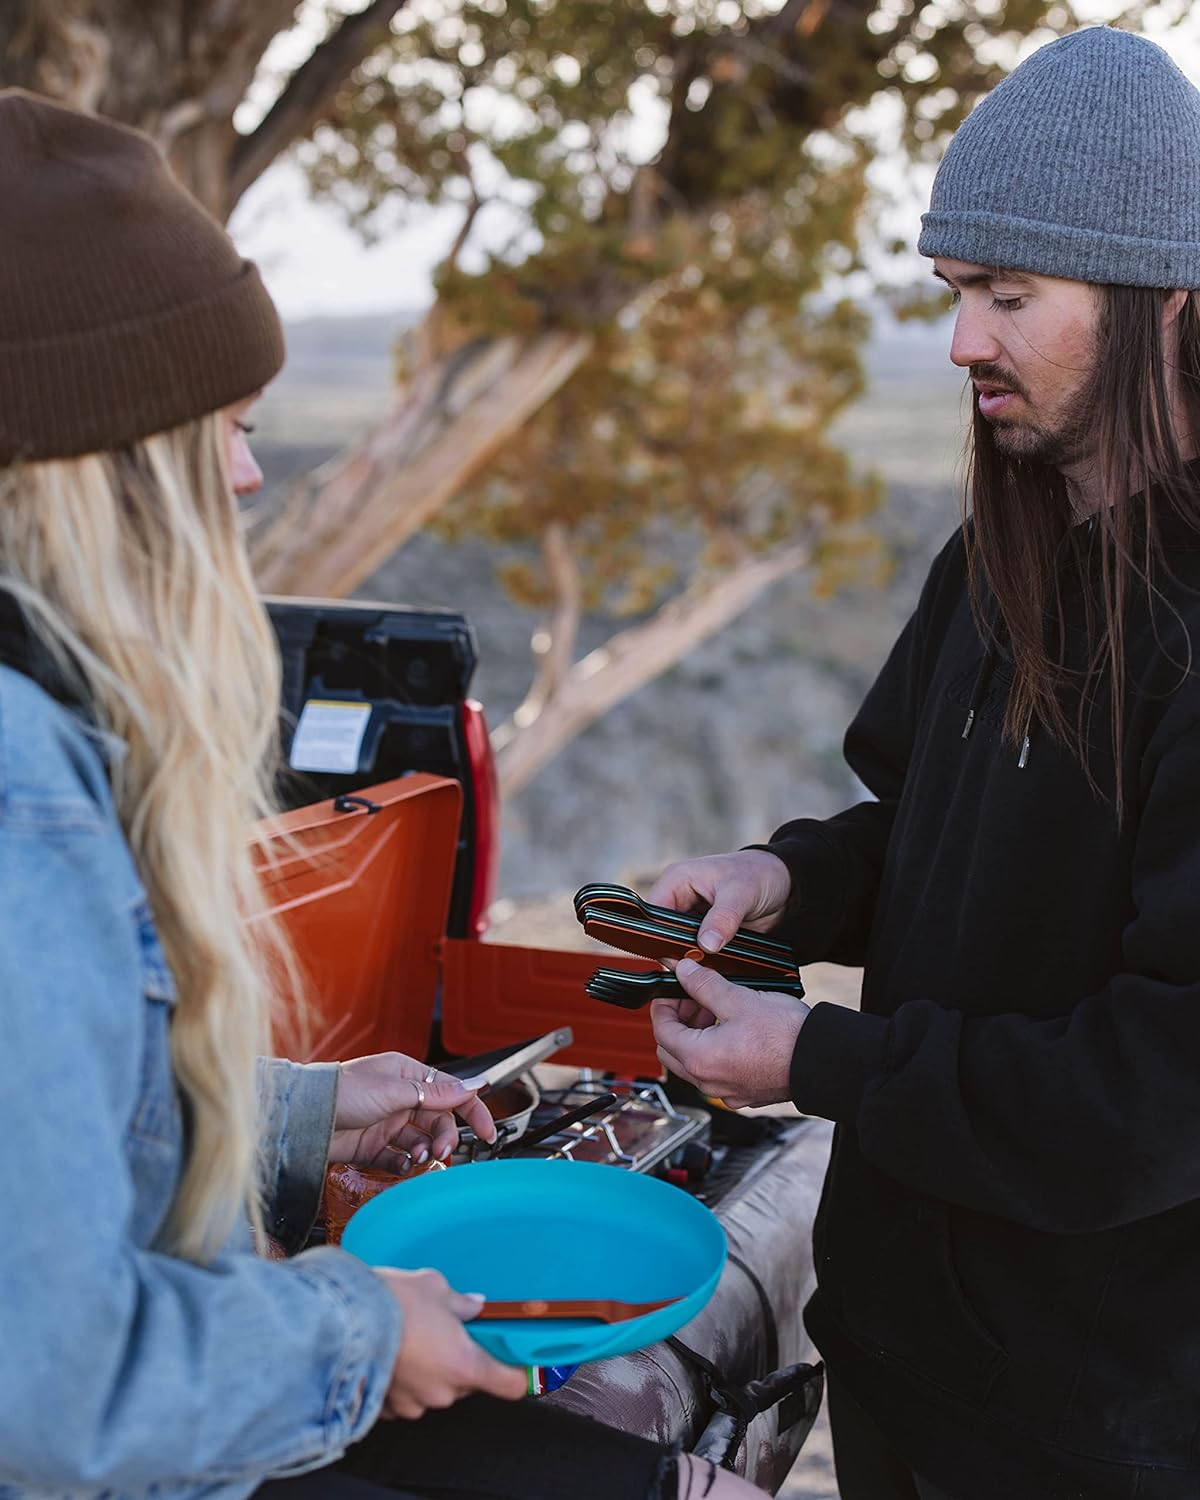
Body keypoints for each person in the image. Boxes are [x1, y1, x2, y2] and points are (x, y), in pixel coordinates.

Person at [0, 90, 766, 1500]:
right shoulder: (17, 790)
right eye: (217, 430)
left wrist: (297, 1113)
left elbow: (39, 1138)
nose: (245, 476)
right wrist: (357, 1329)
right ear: (86, 469)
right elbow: (52, 1382)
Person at [646, 25, 1200, 1500]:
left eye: (1011, 297)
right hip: (903, 1367)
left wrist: (817, 1058)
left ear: (1166, 304)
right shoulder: (1002, 550)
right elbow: (935, 837)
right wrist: (788, 883)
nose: (963, 343)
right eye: (961, 294)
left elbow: (1157, 1092)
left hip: (1098, 1429)